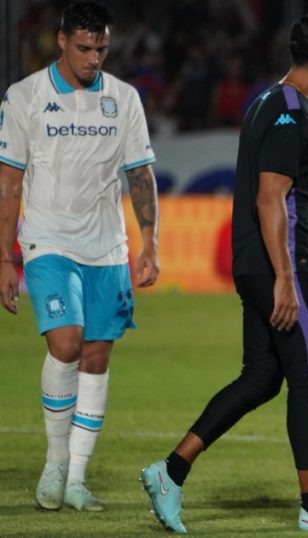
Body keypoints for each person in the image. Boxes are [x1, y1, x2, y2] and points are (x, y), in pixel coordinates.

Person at [140, 14, 308, 533]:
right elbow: (270, 197)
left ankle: (171, 470)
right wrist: (288, 275)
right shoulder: (293, 113)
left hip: (266, 259)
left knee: (262, 377)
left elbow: (287, 199)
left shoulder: (268, 103)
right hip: (277, 266)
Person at [0, 1, 159, 512]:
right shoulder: (24, 97)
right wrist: (6, 257)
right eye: (85, 48)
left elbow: (139, 174)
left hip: (107, 247)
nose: (94, 58)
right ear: (62, 41)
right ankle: (53, 463)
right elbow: (9, 181)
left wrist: (150, 240)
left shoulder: (123, 99)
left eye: (102, 49)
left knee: (96, 356)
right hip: (48, 242)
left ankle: (77, 478)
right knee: (65, 344)